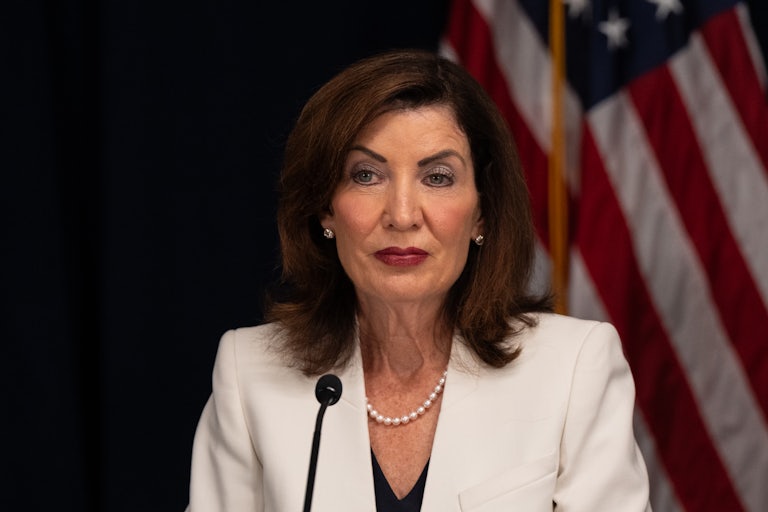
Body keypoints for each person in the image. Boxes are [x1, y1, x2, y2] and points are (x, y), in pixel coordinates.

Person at [185, 49, 651, 511]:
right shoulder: (248, 374)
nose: (402, 215)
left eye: (438, 177)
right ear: (326, 207)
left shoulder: (572, 368)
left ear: (482, 212)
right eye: (366, 175)